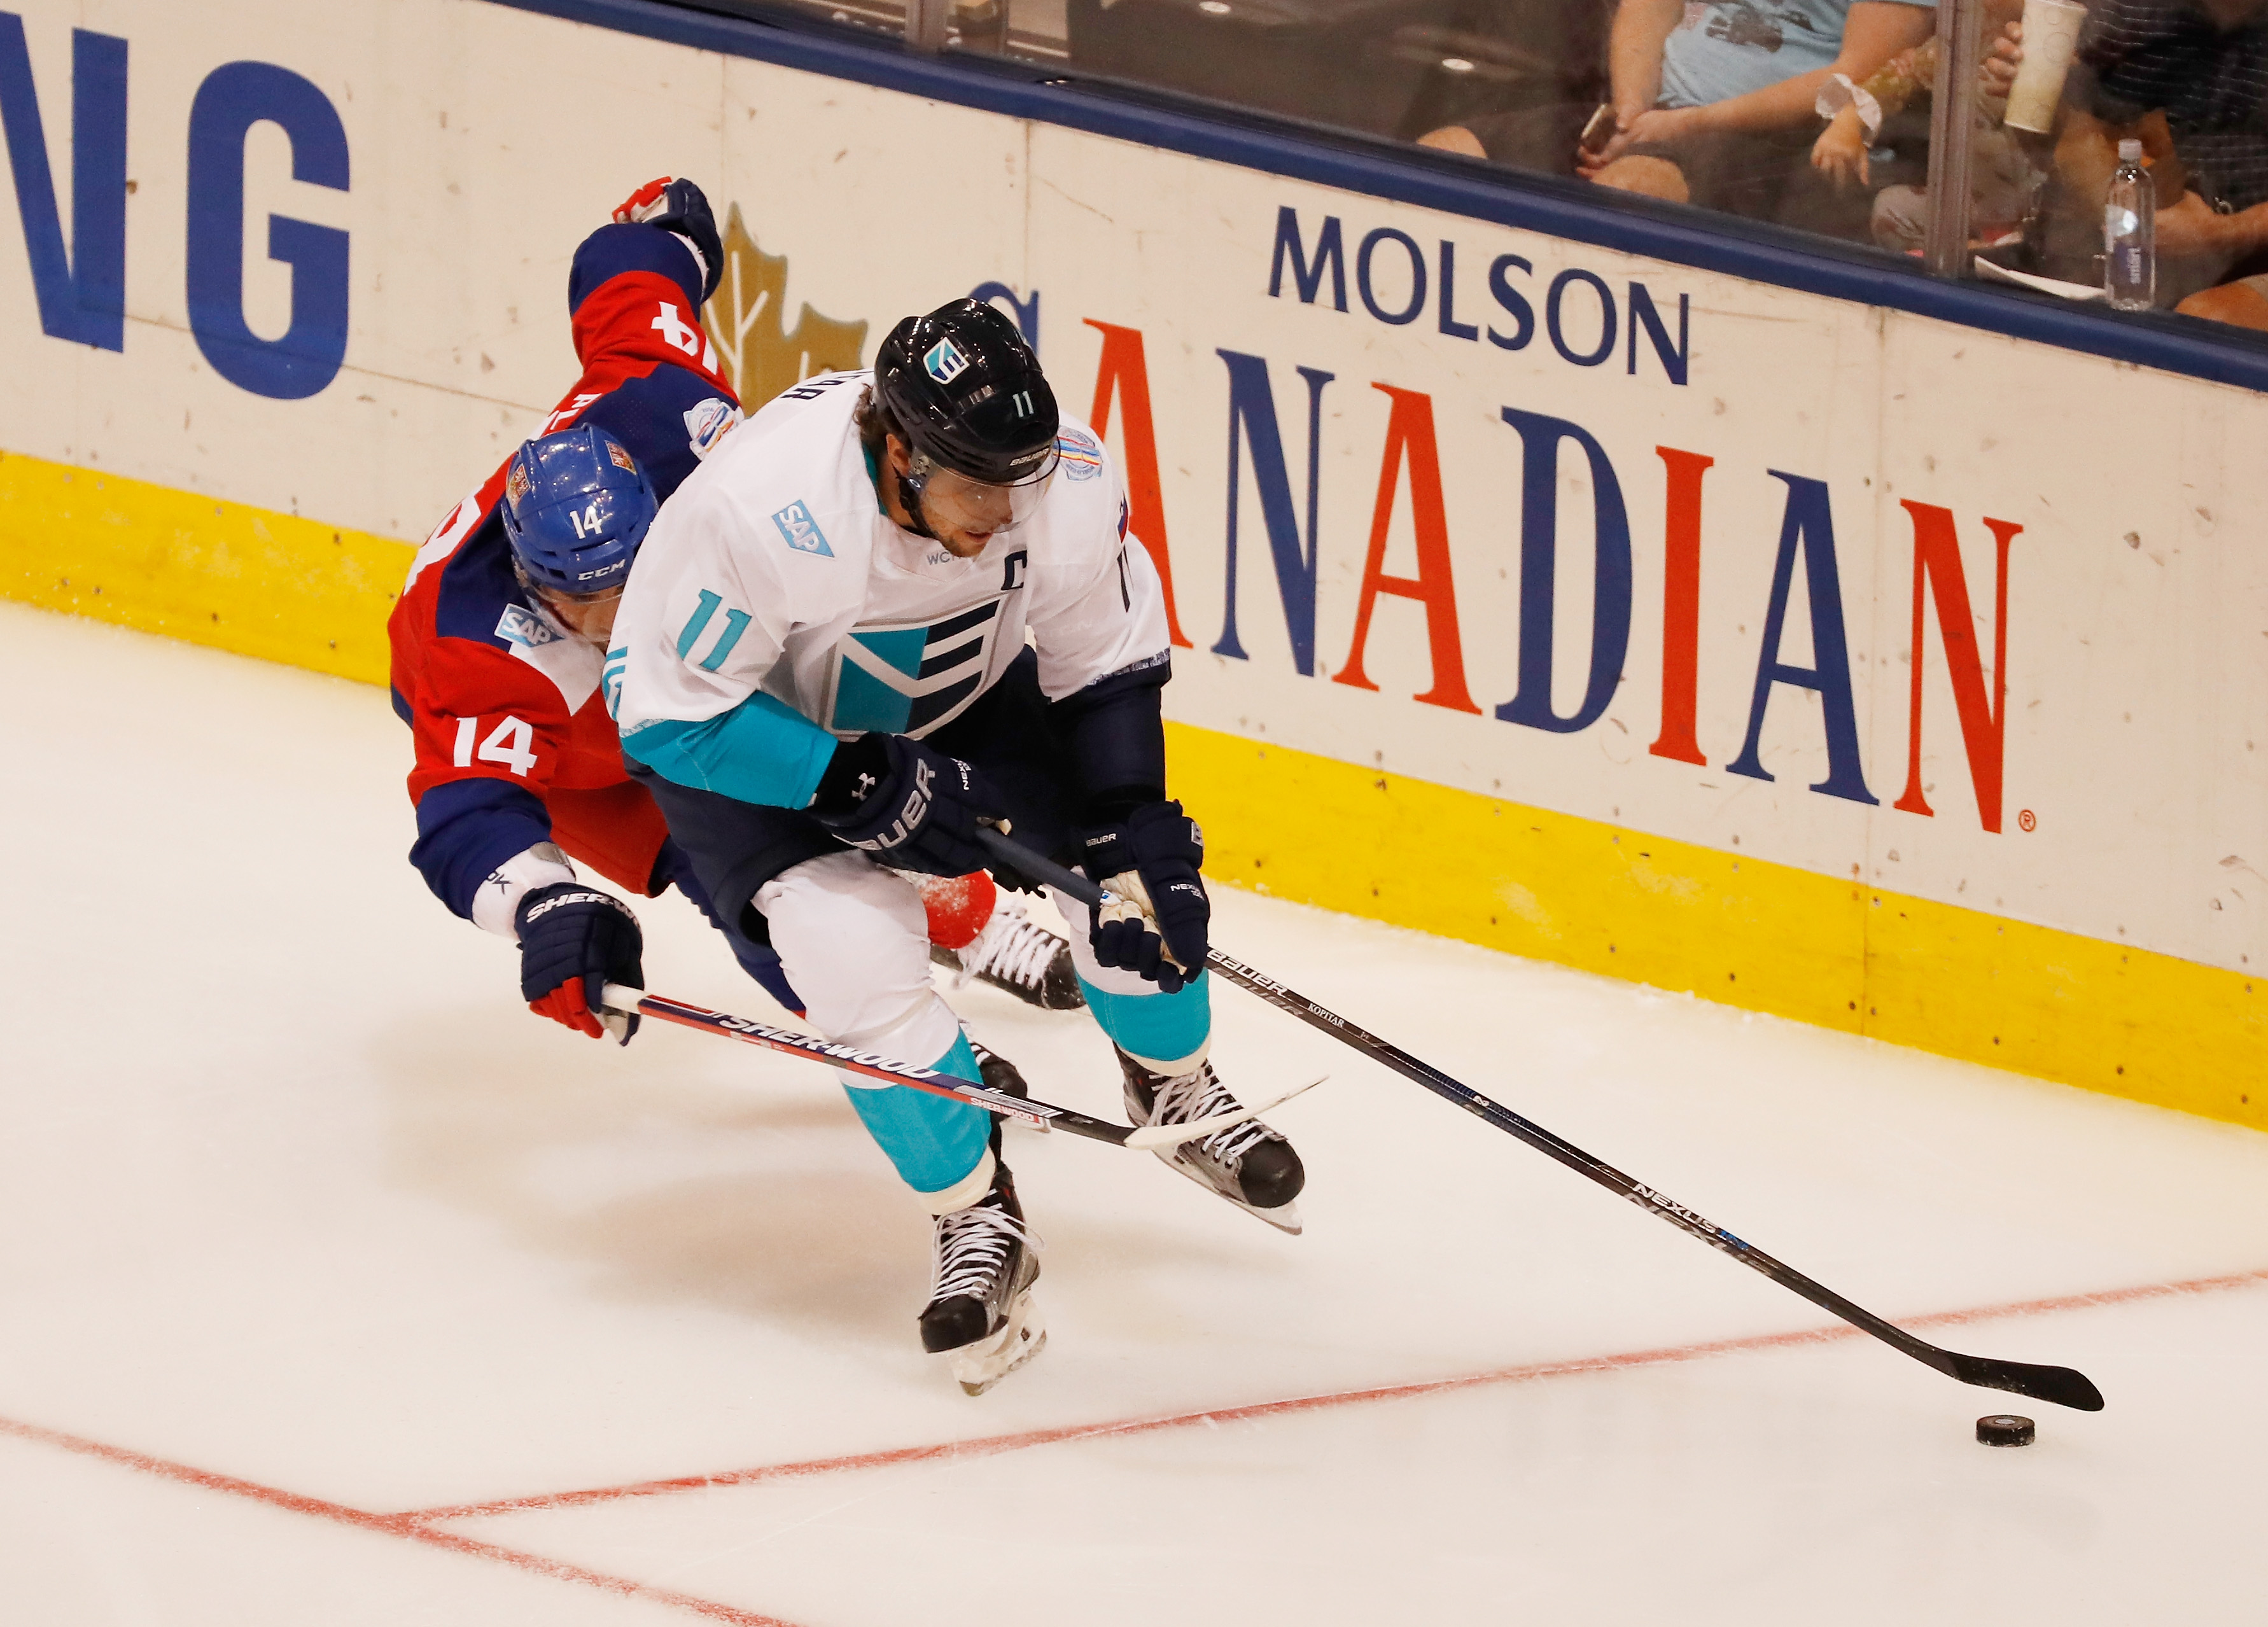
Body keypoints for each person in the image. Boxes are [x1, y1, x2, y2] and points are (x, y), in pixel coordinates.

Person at [606, 299, 1307, 1394]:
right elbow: (664, 715)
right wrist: (844, 779)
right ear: (899, 447)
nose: (1002, 509)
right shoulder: (763, 507)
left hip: (956, 697)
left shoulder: (1055, 478)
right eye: (974, 484)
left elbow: (1104, 663)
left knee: (1129, 894)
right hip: (751, 746)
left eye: (1016, 481)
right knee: (854, 975)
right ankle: (976, 1214)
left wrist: (1129, 819)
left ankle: (1169, 1080)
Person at [387, 180, 1062, 1088]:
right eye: (587, 609)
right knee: (736, 867)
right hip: (586, 748)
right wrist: (544, 904)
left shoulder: (666, 407)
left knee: (840, 744)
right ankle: (911, 1044)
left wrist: (664, 228)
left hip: (712, 652)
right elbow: (465, 809)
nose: (623, 622)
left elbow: (632, 287)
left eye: (633, 584)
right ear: (533, 584)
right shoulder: (472, 651)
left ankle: (969, 919)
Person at [1422, 0, 1939, 222]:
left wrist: (1689, 123)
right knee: (1443, 159)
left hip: (1779, 145)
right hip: (1656, 116)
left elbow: (1855, 80)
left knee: (1625, 198)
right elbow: (1650, 9)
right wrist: (1630, 112)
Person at [2047, 0, 2268, 325]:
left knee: (2207, 317)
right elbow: (2074, 135)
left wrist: (2224, 236)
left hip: (2254, 252)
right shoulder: (2132, 13)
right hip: (2137, 239)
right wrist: (2043, 90)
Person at [1809, 8, 2035, 251]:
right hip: (1975, 206)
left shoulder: (2059, 48)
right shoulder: (1965, 39)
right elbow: (1900, 79)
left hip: (2039, 218)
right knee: (1892, 208)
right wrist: (1849, 122)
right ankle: (1971, 253)